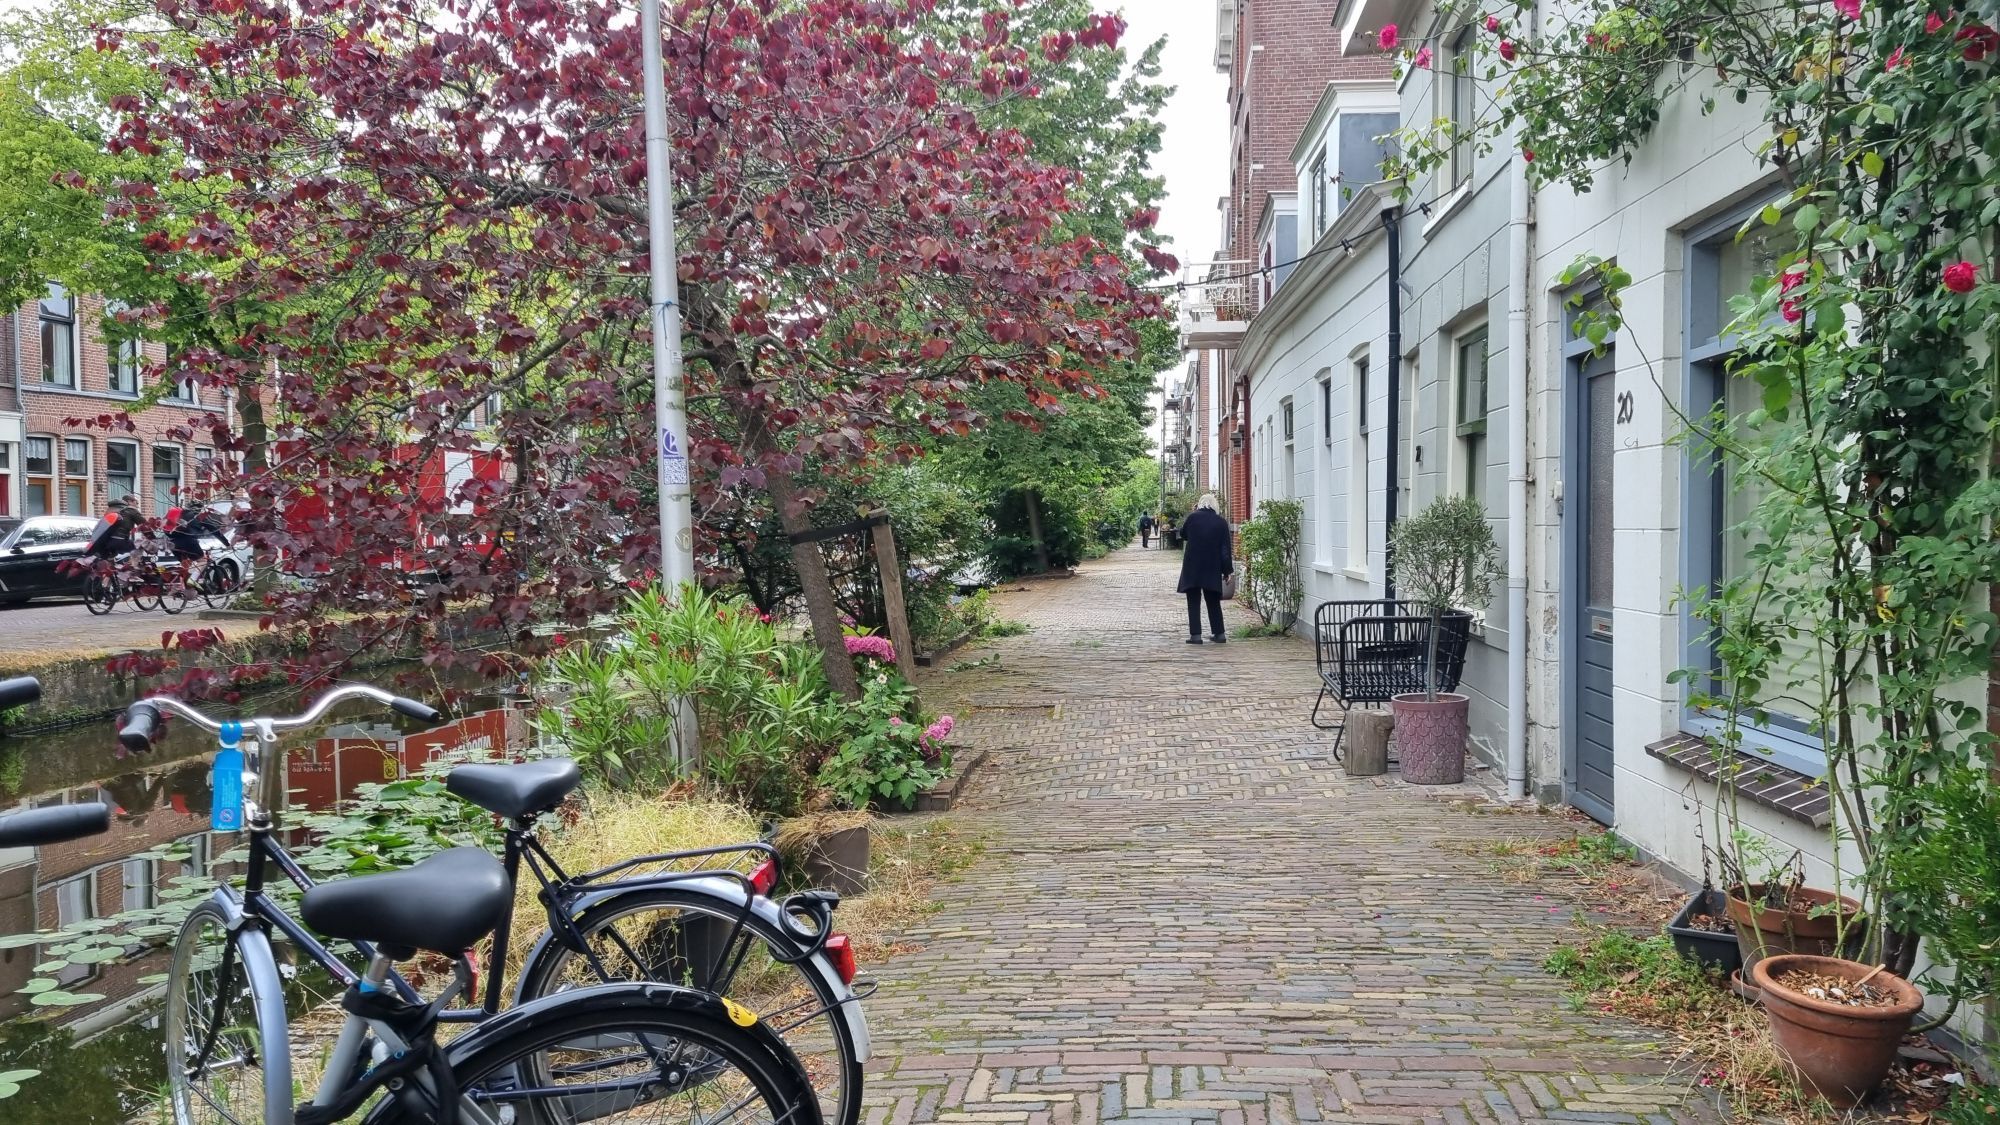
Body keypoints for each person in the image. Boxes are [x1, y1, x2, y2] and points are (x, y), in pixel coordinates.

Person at [1176, 493, 1233, 645]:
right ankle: (1219, 633)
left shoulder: (1193, 518)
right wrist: (1228, 570)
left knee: (1193, 601)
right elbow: (1225, 550)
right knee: (1213, 600)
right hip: (1212, 566)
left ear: (1200, 504)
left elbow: (1183, 534)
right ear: (1215, 505)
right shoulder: (1221, 522)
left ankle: (1196, 635)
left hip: (1193, 566)